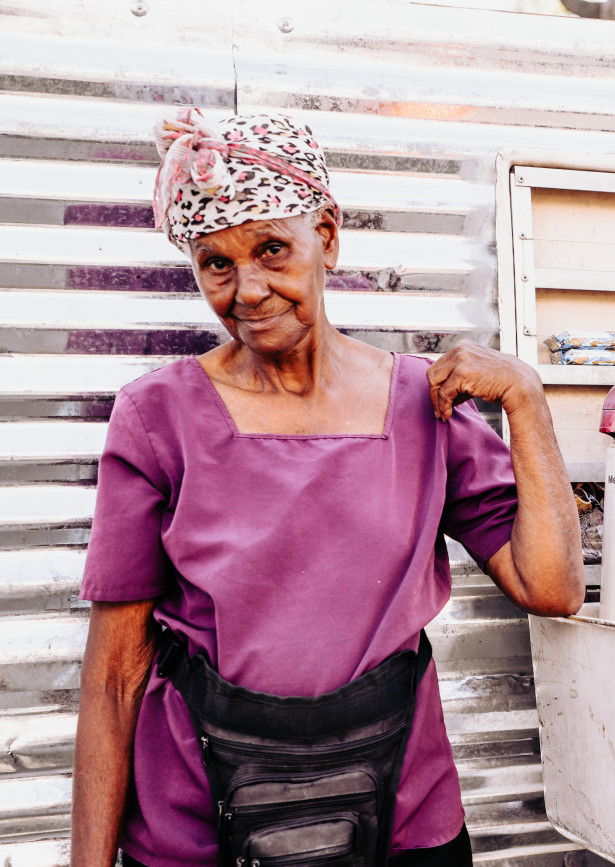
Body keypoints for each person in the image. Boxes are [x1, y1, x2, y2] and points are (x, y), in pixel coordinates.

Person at [70, 108, 583, 867]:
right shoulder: (157, 417)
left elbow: (552, 586)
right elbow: (116, 675)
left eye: (272, 249)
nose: (249, 290)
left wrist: (526, 401)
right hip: (200, 832)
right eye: (216, 264)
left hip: (401, 819)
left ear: (328, 237)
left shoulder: (426, 404)